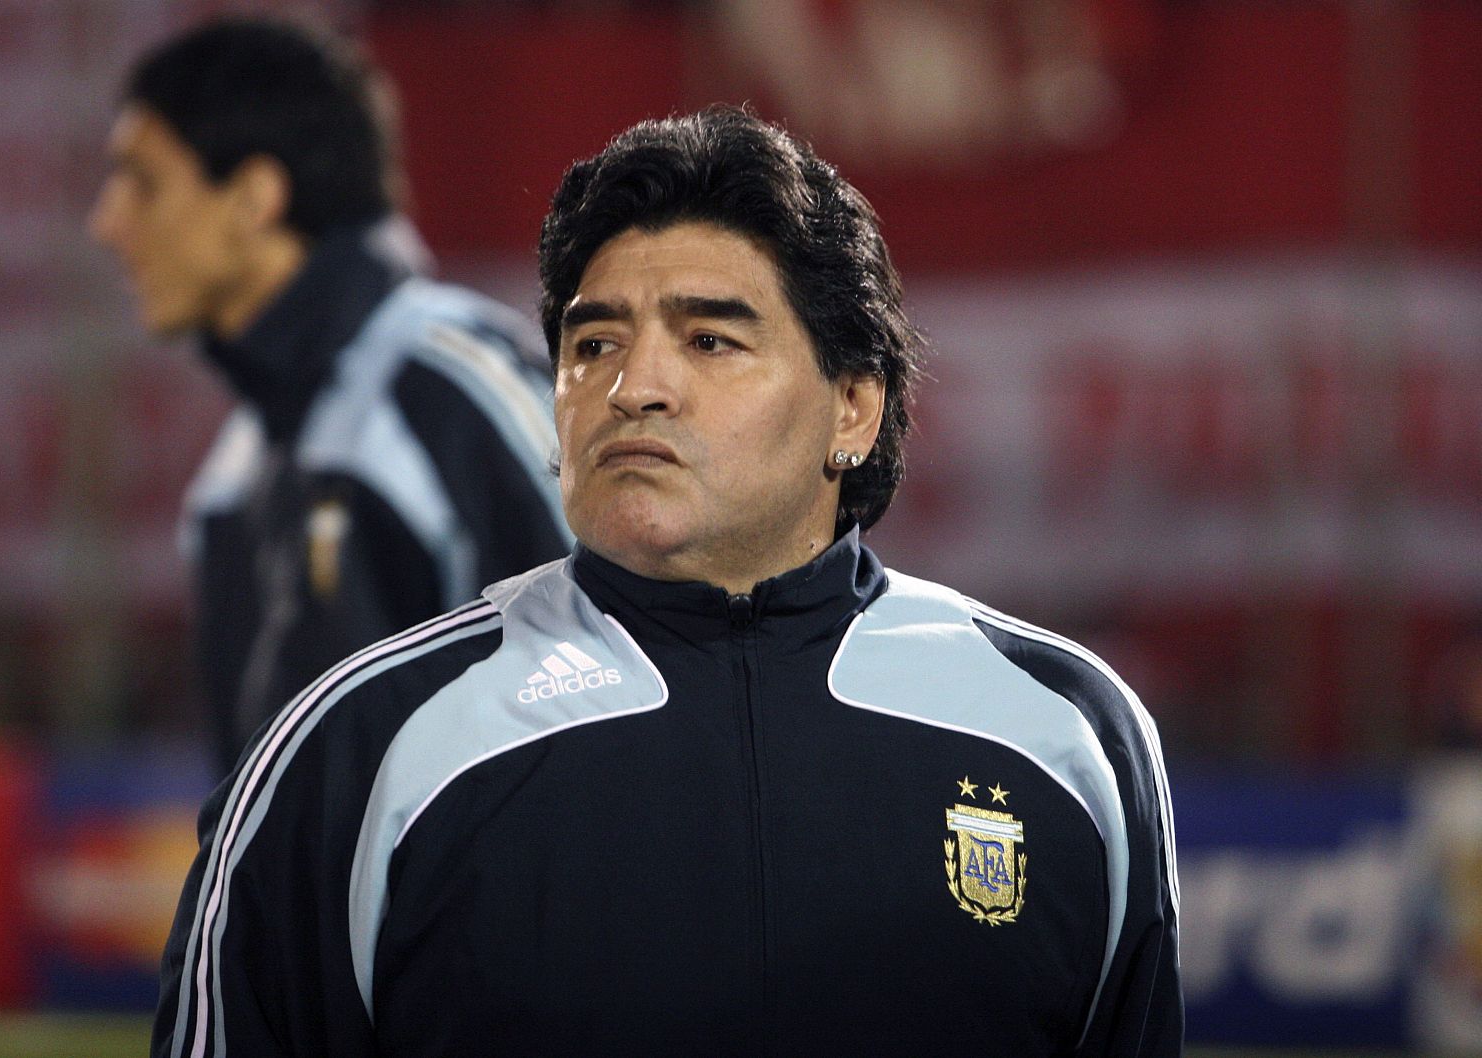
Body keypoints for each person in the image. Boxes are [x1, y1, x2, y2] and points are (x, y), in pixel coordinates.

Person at [153, 106, 1182, 1057]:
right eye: (593, 342)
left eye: (709, 339)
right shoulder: (361, 745)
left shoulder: (1066, 731)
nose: (631, 386)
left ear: (853, 408)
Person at [89, 17, 571, 772]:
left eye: (142, 181)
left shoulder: (452, 383)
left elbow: (638, 664)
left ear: (254, 197)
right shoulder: (240, 467)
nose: (108, 223)